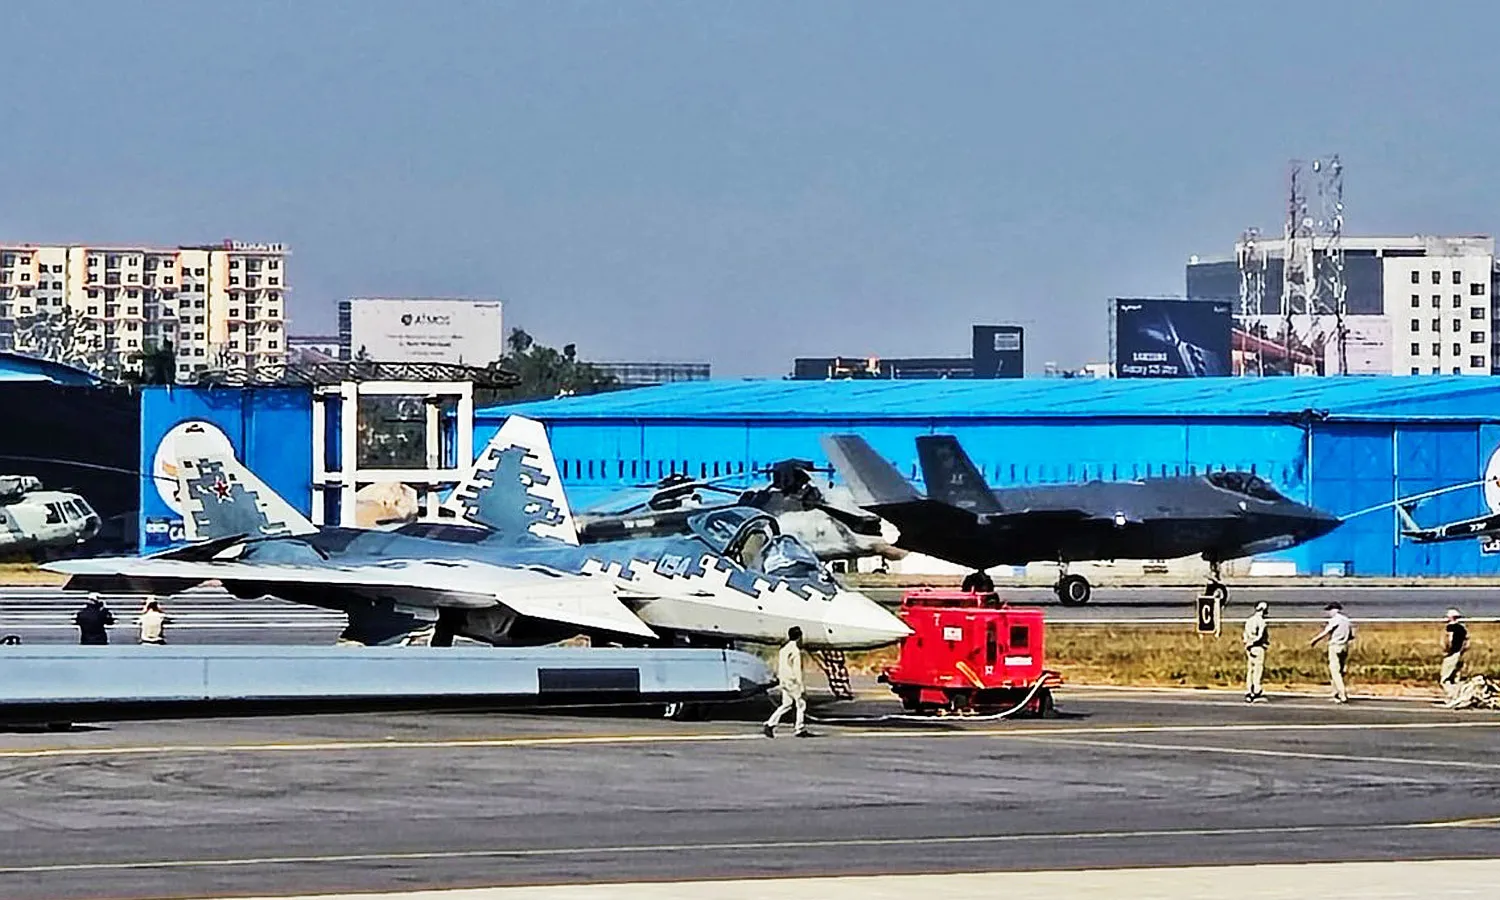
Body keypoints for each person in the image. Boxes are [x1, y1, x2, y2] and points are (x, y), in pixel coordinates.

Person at [763, 626, 811, 738]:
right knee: (801, 704)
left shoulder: (783, 649)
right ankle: (799, 728)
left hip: (784, 680)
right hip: (793, 681)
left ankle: (770, 724)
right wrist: (801, 686)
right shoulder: (796, 651)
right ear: (799, 637)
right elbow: (797, 670)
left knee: (786, 704)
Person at [1309, 602, 1355, 703]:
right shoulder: (1347, 620)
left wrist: (1315, 640)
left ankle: (1342, 694)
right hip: (1344, 646)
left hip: (1335, 646)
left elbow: (1326, 632)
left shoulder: (1335, 620)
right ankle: (1335, 693)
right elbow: (1352, 635)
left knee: (1335, 672)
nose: (1328, 613)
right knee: (1340, 670)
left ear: (1334, 610)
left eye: (1329, 610)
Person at [1242, 600, 1270, 703]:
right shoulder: (1262, 622)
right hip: (1258, 647)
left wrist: (1247, 644)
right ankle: (1256, 690)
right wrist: (1252, 643)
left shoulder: (1249, 620)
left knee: (1250, 669)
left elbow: (1245, 634)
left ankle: (1249, 690)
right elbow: (1260, 636)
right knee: (1258, 669)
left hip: (1249, 647)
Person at [1440, 608, 1469, 699]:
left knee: (1445, 679)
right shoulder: (1463, 629)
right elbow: (1467, 643)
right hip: (1460, 654)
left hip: (1452, 654)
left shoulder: (1450, 628)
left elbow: (1449, 642)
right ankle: (1459, 694)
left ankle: (1452, 695)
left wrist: (1447, 651)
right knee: (1456, 678)